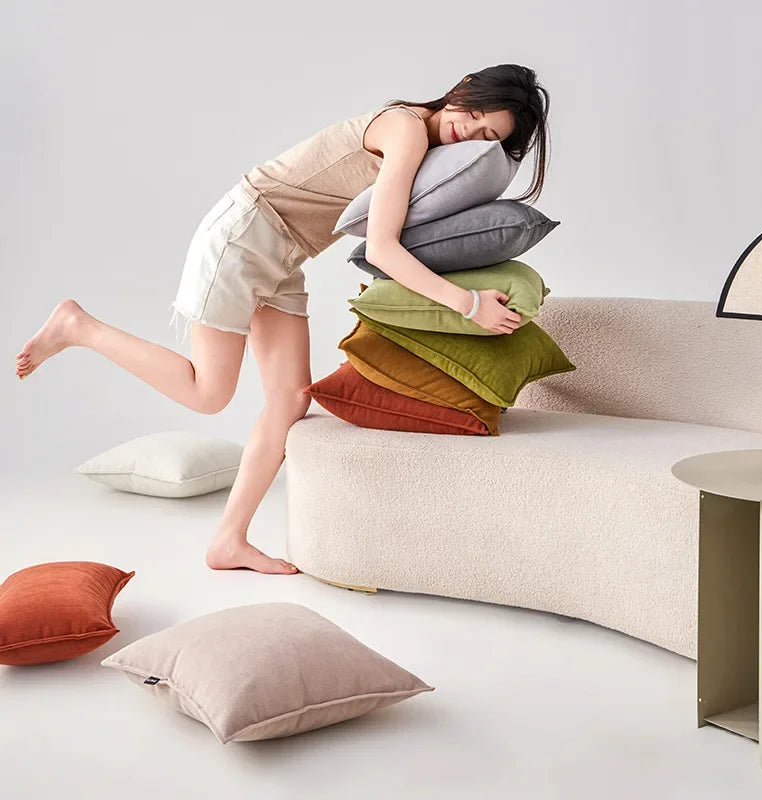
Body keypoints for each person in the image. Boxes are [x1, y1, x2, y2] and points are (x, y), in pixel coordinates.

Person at [14, 63, 551, 575]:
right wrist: (467, 304)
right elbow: (384, 247)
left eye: (487, 136)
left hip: (284, 254)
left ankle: (228, 540)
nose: (470, 133)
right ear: (465, 87)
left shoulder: (430, 146)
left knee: (291, 400)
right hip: (246, 235)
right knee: (209, 393)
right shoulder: (406, 129)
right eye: (477, 114)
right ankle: (79, 327)